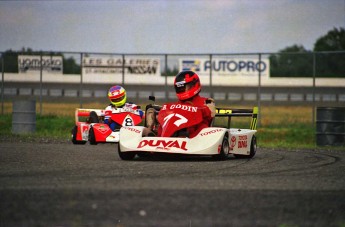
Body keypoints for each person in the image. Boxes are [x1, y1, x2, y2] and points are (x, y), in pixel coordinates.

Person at [145, 70, 216, 138]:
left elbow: (211, 113)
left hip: (194, 135)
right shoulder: (177, 104)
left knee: (203, 127)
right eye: (179, 88)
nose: (181, 90)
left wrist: (199, 110)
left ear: (194, 85)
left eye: (184, 87)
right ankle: (156, 139)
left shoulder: (206, 102)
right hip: (172, 133)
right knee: (152, 113)